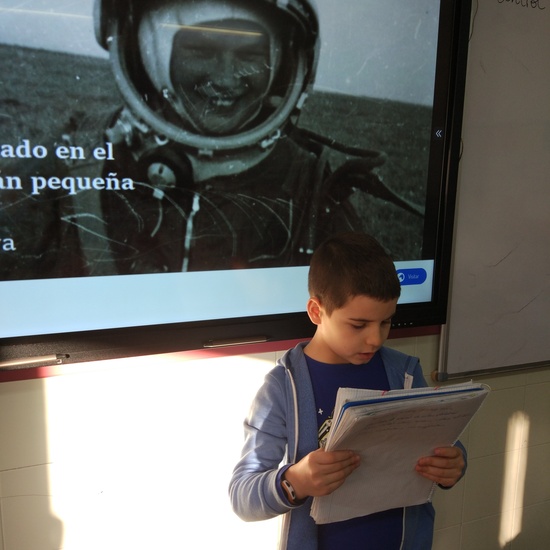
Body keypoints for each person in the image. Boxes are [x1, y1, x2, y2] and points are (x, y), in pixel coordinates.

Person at [56, 0, 422, 275]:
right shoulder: (74, 168)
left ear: (280, 63)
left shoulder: (312, 188)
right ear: (149, 52)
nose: (226, 78)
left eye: (251, 54)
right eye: (200, 49)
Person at [229, 232, 466, 550]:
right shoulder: (282, 387)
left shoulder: (405, 373)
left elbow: (443, 443)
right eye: (358, 325)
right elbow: (242, 495)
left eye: (386, 322)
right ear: (316, 311)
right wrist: (296, 480)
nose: (375, 339)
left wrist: (453, 462)